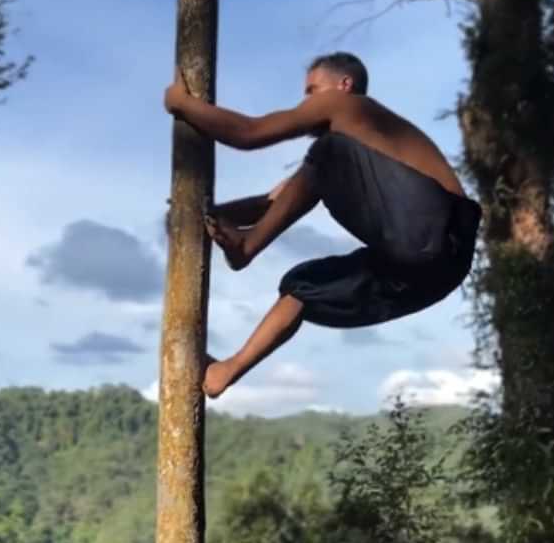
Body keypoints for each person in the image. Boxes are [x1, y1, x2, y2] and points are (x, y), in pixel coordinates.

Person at [162, 52, 482, 399]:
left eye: (312, 91)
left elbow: (248, 133)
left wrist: (182, 104)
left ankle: (246, 248)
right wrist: (198, 216)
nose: (306, 103)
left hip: (439, 228)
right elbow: (271, 205)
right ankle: (226, 372)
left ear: (344, 86)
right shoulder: (342, 162)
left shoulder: (348, 109)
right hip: (439, 272)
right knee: (303, 285)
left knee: (327, 152)